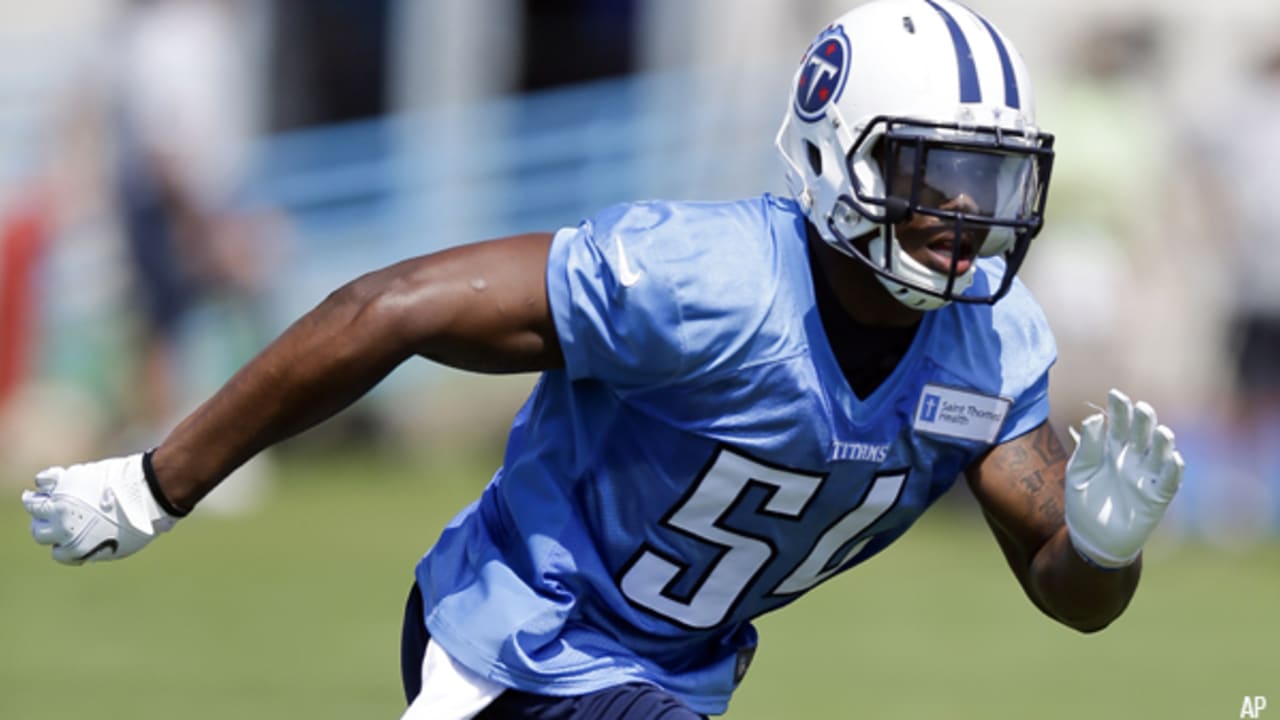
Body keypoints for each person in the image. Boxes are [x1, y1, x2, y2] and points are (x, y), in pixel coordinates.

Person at [20, 1, 1185, 718]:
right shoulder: (702, 283)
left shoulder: (988, 340)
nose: (963, 216)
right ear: (838, 156)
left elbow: (1069, 601)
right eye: (932, 175)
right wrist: (156, 481)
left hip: (666, 679)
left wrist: (1102, 546)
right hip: (522, 642)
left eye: (989, 182)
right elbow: (389, 305)